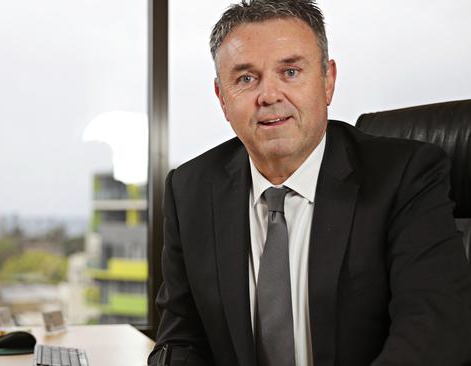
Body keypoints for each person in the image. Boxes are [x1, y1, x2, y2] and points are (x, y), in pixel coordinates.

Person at [148, 1, 471, 365]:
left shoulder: (406, 176)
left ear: (328, 81)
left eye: (289, 71)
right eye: (245, 79)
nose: (269, 95)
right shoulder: (190, 190)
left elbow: (433, 333)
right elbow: (181, 337)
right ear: (222, 99)